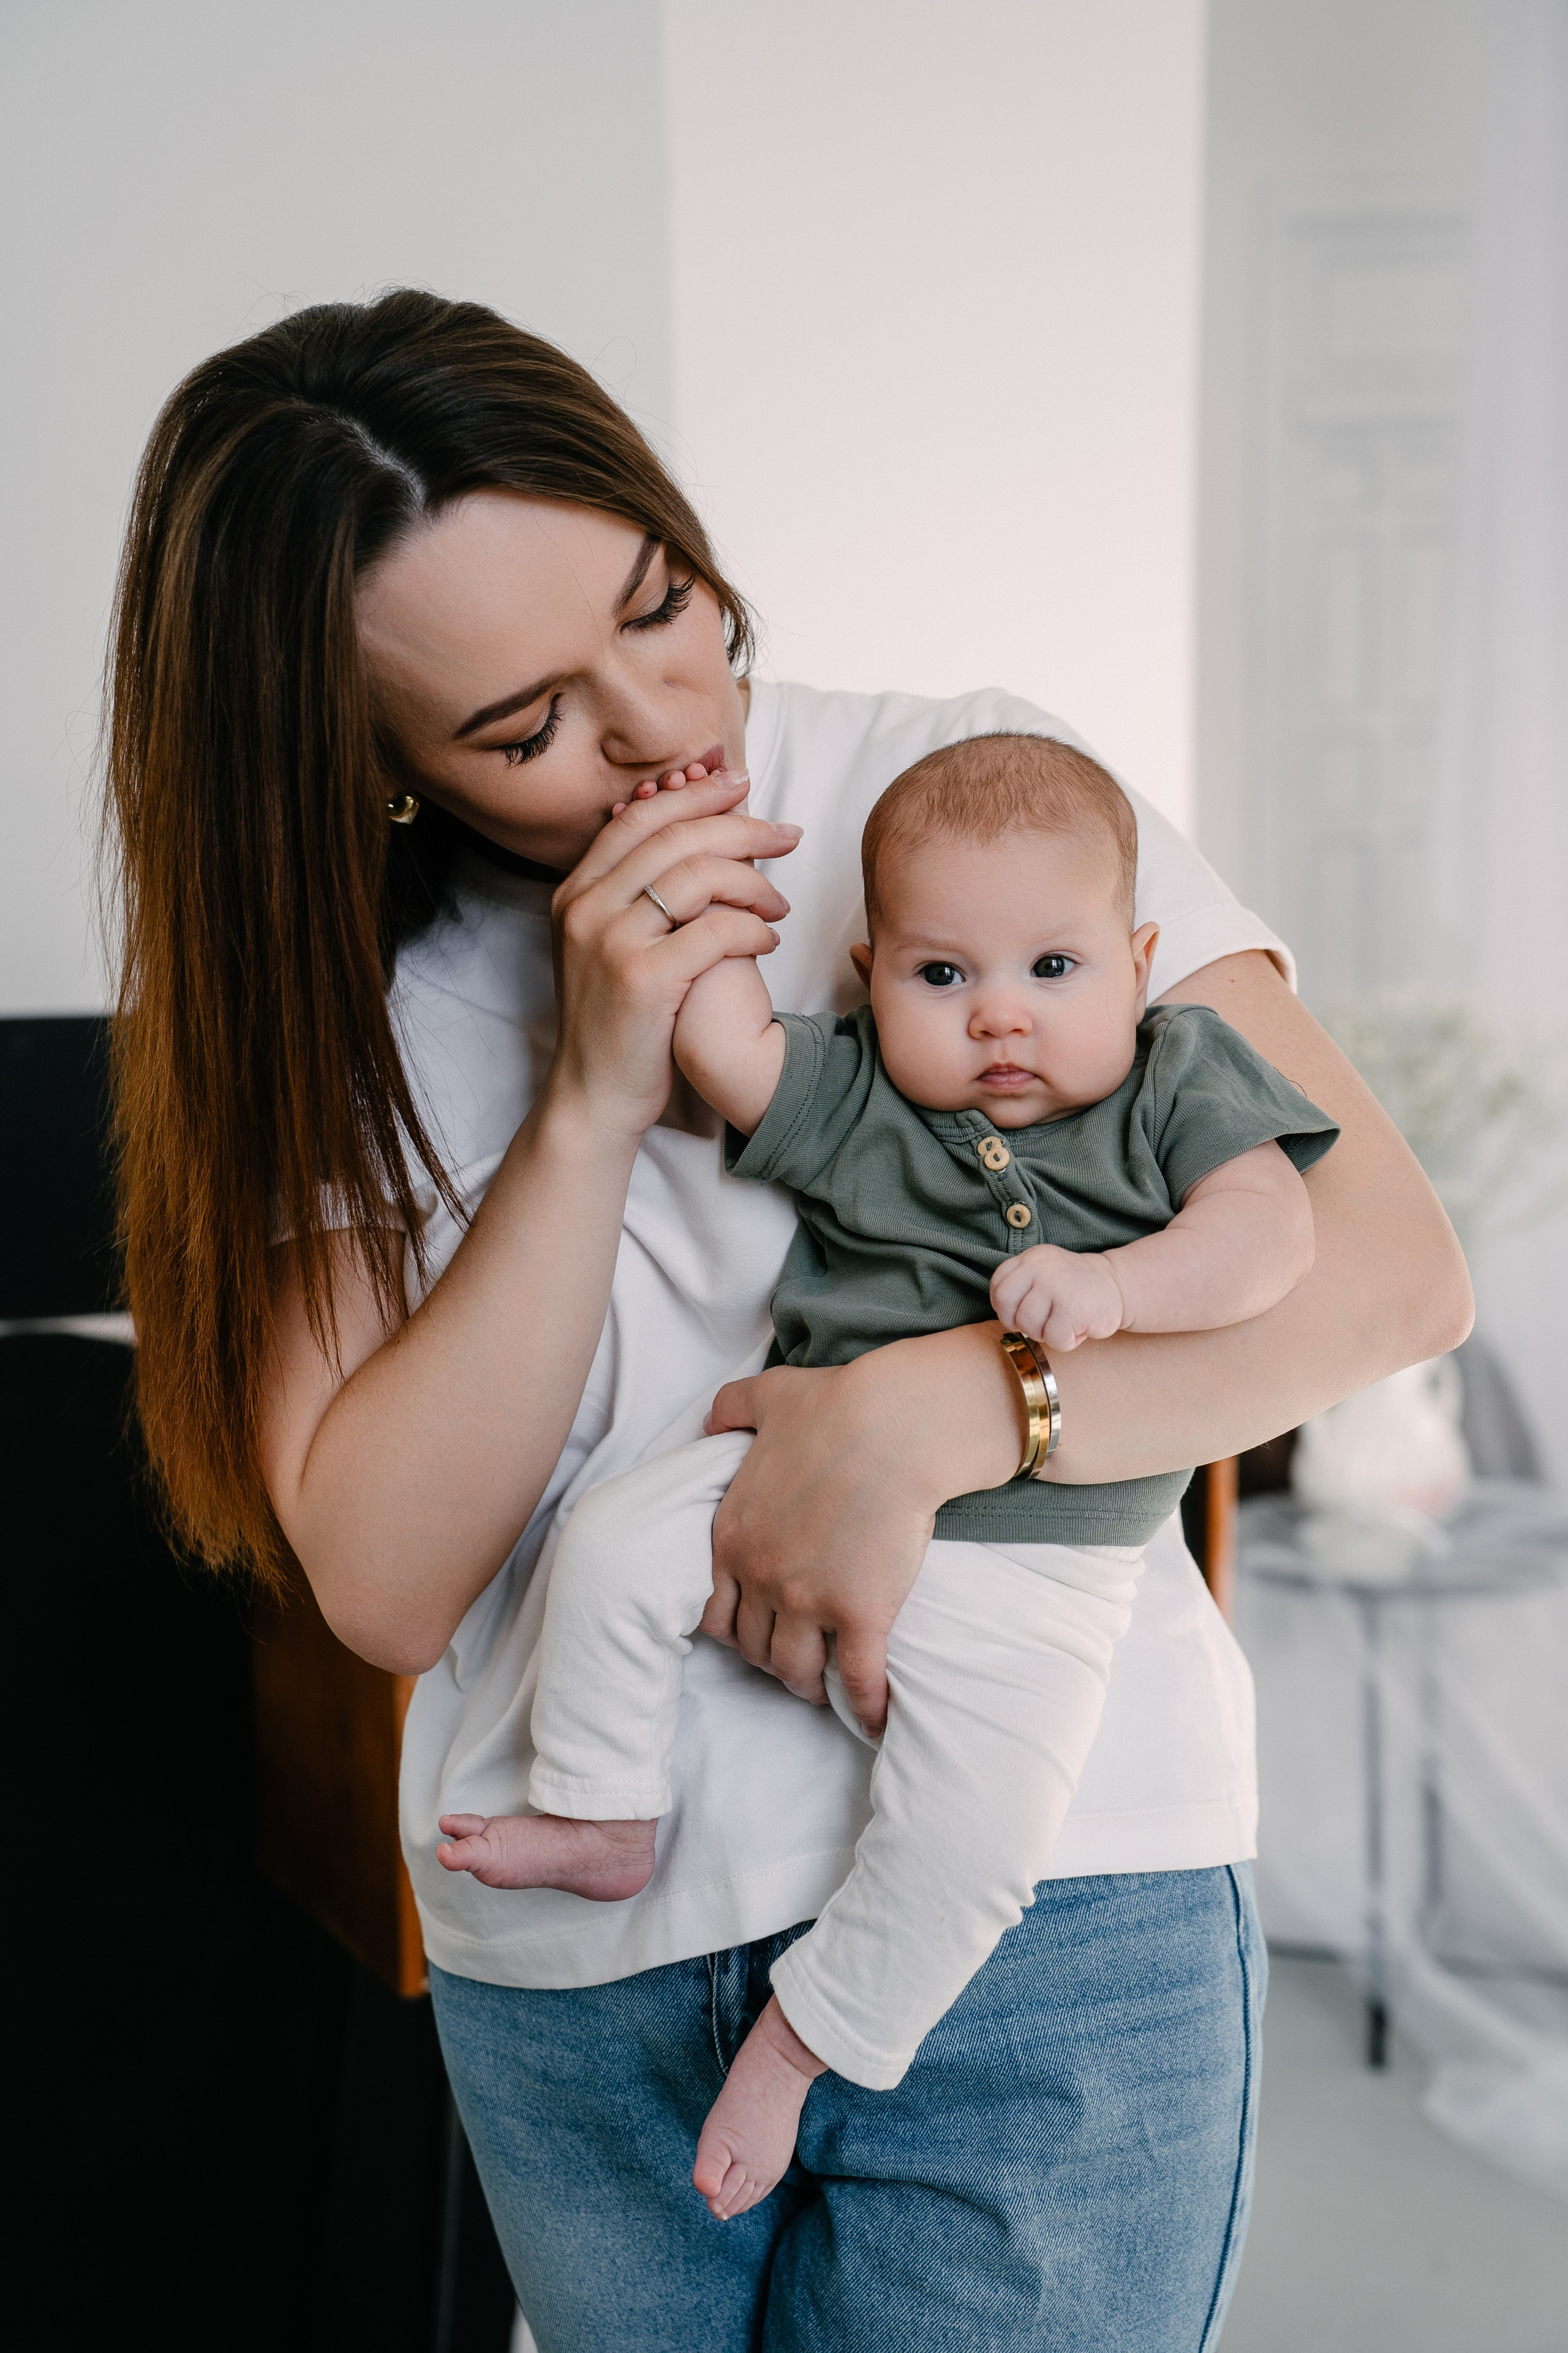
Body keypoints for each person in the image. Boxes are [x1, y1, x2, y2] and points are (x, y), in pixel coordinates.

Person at [106, 290, 1471, 2352]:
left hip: (1048, 1908)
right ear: (361, 768)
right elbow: (383, 1581)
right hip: (586, 1983)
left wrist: (946, 1411)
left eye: (664, 601)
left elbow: (1381, 1270)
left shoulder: (968, 801)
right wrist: (584, 1099)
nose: (666, 720)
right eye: (526, 724)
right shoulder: (345, 1010)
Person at [434, 731, 1341, 2224]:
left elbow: (1271, 1236)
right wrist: (693, 880)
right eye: (941, 977)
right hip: (784, 1463)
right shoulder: (865, 1100)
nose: (999, 1017)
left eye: (1053, 969)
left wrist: (1122, 1290)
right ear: (868, 975)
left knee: (974, 1843)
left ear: (1138, 959)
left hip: (1038, 1550)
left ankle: (801, 2045)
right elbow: (726, 1048)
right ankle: (603, 1808)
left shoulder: (1176, 1079)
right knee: (604, 1546)